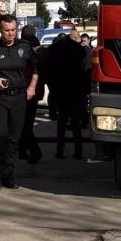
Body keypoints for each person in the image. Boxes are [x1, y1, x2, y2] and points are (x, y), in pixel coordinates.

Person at [0, 14, 38, 190]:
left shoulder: (24, 47)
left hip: (19, 97)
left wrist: (32, 87)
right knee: (1, 135)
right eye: (7, 31)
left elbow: (36, 67)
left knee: (14, 138)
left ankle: (9, 174)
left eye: (13, 30)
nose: (10, 34)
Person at [48, 29, 87, 159]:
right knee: (75, 122)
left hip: (61, 89)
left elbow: (51, 70)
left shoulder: (55, 49)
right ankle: (78, 150)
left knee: (62, 121)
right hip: (75, 89)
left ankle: (60, 150)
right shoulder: (78, 50)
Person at [18, 32, 45, 164]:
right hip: (32, 94)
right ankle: (23, 151)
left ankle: (34, 151)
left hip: (27, 94)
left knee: (25, 125)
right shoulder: (37, 57)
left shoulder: (27, 57)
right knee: (25, 125)